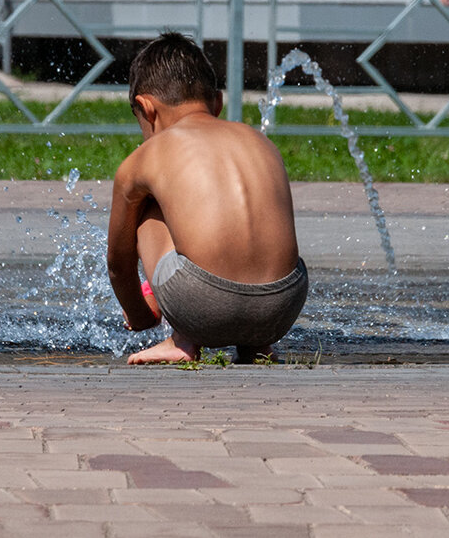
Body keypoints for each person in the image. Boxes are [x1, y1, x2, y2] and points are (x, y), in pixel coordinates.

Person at [106, 32, 308, 365]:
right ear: (217, 103)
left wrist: (140, 316)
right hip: (282, 307)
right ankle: (255, 346)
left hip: (201, 305)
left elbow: (119, 261)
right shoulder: (258, 140)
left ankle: (181, 340)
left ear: (146, 108)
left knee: (148, 206)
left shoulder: (148, 155)